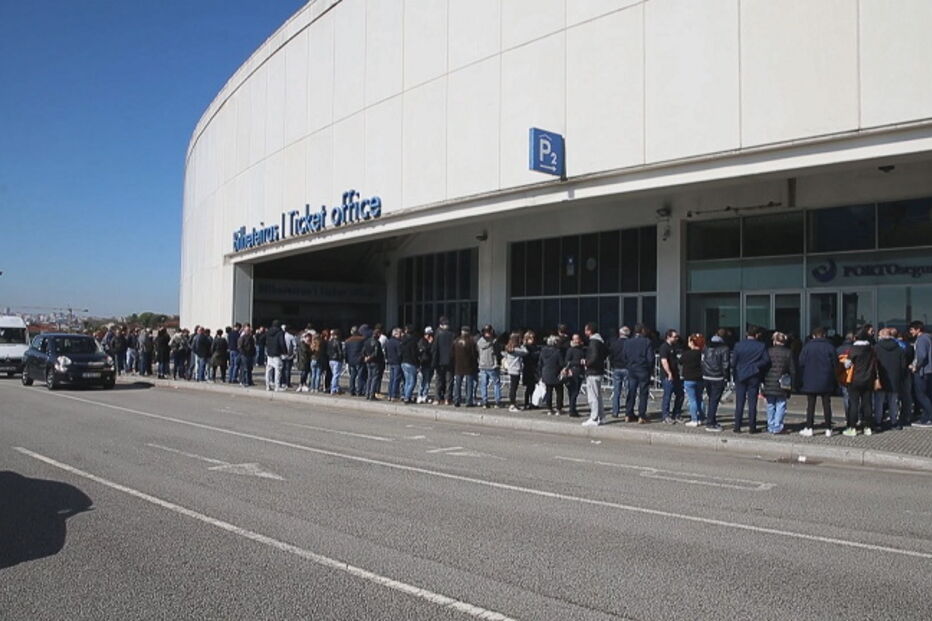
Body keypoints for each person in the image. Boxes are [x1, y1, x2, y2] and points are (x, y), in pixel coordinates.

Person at [797, 326, 837, 437]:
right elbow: (836, 364)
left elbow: (801, 363)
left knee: (810, 405)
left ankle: (809, 427)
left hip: (810, 379)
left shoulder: (807, 347)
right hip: (826, 379)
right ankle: (828, 428)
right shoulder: (830, 347)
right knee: (827, 404)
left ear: (813, 336)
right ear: (824, 335)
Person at [731, 326, 771, 433]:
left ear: (746, 334)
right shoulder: (761, 346)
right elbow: (766, 360)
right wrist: (755, 366)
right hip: (754, 374)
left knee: (739, 402)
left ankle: (737, 426)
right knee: (752, 402)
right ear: (757, 335)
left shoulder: (738, 345)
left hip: (740, 374)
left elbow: (733, 362)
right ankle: (752, 427)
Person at [843, 329, 876, 436]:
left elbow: (847, 364)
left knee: (854, 404)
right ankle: (867, 427)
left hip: (855, 379)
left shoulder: (854, 349)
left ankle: (852, 427)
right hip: (868, 379)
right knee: (867, 403)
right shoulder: (871, 349)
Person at [761, 332, 796, 434]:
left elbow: (764, 367)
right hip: (783, 382)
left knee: (770, 404)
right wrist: (793, 385)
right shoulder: (788, 353)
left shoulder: (768, 351)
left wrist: (763, 380)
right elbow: (793, 370)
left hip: (769, 381)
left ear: (774, 341)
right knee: (781, 404)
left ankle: (770, 425)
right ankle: (777, 425)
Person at [874, 328, 906, 430]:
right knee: (893, 401)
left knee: (879, 401)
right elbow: (903, 366)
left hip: (881, 378)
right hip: (895, 378)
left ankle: (878, 422)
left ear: (882, 336)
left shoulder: (876, 348)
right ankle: (894, 422)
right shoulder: (899, 349)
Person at [623, 324, 655, 423]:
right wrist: (651, 370)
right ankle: (641, 415)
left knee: (631, 392)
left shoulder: (628, 342)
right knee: (643, 393)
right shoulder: (647, 342)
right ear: (642, 331)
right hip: (643, 369)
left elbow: (624, 355)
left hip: (632, 369)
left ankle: (628, 413)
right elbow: (650, 358)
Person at [700, 331, 730, 432]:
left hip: (707, 376)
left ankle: (711, 419)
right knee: (714, 400)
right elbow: (725, 364)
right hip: (718, 377)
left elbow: (703, 361)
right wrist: (726, 377)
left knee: (711, 399)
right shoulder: (724, 349)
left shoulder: (706, 348)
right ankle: (710, 422)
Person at [581, 323, 608, 427]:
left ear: (589, 331)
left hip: (593, 371)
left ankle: (594, 417)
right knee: (598, 395)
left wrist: (587, 362)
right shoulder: (600, 341)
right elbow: (606, 352)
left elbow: (594, 356)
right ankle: (601, 416)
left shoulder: (593, 342)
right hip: (599, 370)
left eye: (586, 330)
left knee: (593, 396)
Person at [908, 320, 932, 427]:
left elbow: (921, 356)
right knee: (927, 394)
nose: (910, 332)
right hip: (928, 370)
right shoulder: (928, 338)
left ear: (918, 329)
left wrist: (915, 366)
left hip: (923, 371)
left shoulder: (922, 340)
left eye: (912, 330)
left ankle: (928, 417)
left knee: (920, 394)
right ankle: (926, 417)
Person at [658, 329, 684, 424]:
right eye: (674, 337)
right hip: (667, 375)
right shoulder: (664, 347)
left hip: (675, 374)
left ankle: (676, 414)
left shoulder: (674, 346)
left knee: (680, 394)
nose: (676, 338)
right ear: (668, 337)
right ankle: (665, 415)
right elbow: (664, 361)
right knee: (667, 395)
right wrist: (669, 373)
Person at [681, 334, 705, 427]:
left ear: (692, 342)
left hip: (689, 378)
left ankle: (694, 419)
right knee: (700, 399)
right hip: (700, 378)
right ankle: (702, 418)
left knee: (692, 400)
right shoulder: (702, 353)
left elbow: (680, 361)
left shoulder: (687, 354)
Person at [477, 325, 502, 408]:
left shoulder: (479, 342)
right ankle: (497, 401)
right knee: (496, 383)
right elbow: (498, 353)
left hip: (482, 365)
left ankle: (485, 401)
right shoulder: (494, 342)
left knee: (483, 384)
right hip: (492, 366)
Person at [452, 326, 478, 407]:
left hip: (458, 366)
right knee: (469, 384)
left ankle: (456, 400)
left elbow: (452, 354)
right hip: (469, 366)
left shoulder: (456, 341)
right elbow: (475, 355)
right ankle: (468, 401)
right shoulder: (471, 342)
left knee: (458, 384)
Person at [539, 335, 565, 415]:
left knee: (549, 391)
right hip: (556, 373)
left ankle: (549, 408)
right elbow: (561, 363)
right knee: (559, 391)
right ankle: (558, 408)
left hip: (546, 372)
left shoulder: (543, 351)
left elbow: (540, 363)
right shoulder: (557, 352)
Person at [432, 319, 455, 405]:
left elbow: (435, 349)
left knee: (439, 380)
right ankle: (447, 399)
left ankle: (437, 398)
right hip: (450, 361)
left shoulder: (438, 335)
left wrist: (434, 362)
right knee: (449, 380)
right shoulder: (452, 335)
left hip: (439, 361)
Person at [502, 332, 526, 412]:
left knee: (513, 387)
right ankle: (512, 404)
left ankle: (513, 403)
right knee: (513, 388)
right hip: (515, 370)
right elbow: (525, 352)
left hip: (511, 369)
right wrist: (523, 344)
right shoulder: (515, 350)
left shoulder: (508, 348)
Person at [609, 326, 630, 417]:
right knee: (628, 391)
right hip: (627, 368)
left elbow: (611, 356)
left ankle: (615, 411)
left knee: (616, 391)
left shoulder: (614, 344)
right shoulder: (630, 344)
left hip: (617, 368)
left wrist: (613, 364)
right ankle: (628, 411)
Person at [564, 334, 585, 417]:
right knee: (573, 392)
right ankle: (572, 410)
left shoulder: (581, 349)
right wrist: (579, 362)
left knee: (574, 392)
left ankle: (572, 408)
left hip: (579, 372)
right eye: (575, 339)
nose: (577, 341)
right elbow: (567, 361)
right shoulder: (571, 350)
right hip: (573, 372)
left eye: (578, 339)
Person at [362, 326, 384, 400]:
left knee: (369, 378)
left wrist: (366, 357)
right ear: (377, 334)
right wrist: (370, 357)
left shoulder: (367, 341)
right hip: (375, 362)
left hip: (368, 362)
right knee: (374, 378)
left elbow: (363, 351)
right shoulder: (377, 343)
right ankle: (371, 394)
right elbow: (376, 353)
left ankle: (367, 394)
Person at [521, 330, 541, 410]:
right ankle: (526, 403)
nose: (533, 339)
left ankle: (533, 402)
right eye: (531, 338)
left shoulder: (535, 346)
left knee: (533, 387)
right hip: (528, 368)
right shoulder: (525, 347)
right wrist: (536, 354)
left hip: (535, 368)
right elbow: (527, 357)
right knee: (529, 387)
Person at [264, 320, 286, 391]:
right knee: (278, 370)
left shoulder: (268, 332)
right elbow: (282, 343)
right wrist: (284, 351)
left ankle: (267, 386)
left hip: (269, 353)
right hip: (277, 353)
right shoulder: (280, 333)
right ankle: (277, 386)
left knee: (268, 370)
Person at [399, 325, 419, 404]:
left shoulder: (403, 340)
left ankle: (405, 395)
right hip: (411, 362)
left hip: (403, 362)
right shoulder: (413, 341)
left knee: (407, 381)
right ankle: (407, 397)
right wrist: (417, 363)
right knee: (412, 381)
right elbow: (414, 353)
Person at [344, 326, 366, 397]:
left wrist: (347, 360)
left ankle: (352, 390)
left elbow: (346, 352)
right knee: (360, 376)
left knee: (352, 376)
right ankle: (359, 391)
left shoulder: (347, 341)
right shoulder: (362, 339)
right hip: (359, 359)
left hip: (351, 360)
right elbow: (364, 349)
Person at [416, 327, 435, 403]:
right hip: (424, 363)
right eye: (428, 334)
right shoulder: (422, 341)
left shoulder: (432, 341)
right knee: (424, 380)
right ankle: (420, 395)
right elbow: (424, 350)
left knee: (428, 380)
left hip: (430, 363)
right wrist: (430, 344)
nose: (430, 336)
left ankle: (425, 395)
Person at [385, 328, 403, 402]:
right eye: (399, 333)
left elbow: (386, 352)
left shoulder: (388, 342)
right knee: (396, 379)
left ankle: (390, 394)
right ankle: (394, 395)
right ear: (395, 334)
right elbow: (399, 353)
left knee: (392, 379)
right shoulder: (398, 343)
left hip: (391, 361)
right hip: (397, 362)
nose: (401, 335)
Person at [328, 328, 345, 395]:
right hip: (337, 360)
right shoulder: (338, 342)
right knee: (336, 375)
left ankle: (336, 388)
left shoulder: (329, 342)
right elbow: (340, 352)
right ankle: (333, 389)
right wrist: (342, 358)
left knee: (334, 374)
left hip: (331, 359)